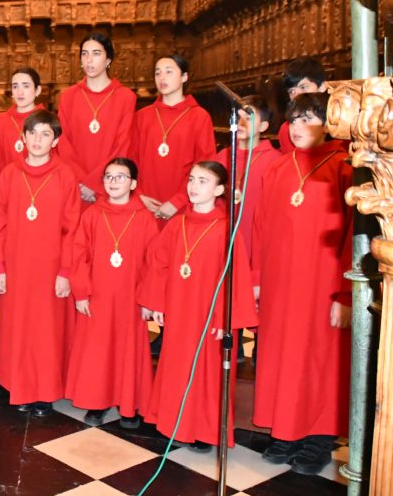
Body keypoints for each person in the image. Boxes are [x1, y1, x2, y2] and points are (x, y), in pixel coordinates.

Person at [252, 92, 352, 474]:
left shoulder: (343, 167)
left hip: (322, 285)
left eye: (308, 119)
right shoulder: (278, 167)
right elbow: (260, 226)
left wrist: (345, 294)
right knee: (282, 354)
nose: (297, 127)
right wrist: (257, 280)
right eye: (294, 119)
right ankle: (286, 430)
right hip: (280, 283)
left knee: (319, 359)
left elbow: (354, 235)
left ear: (328, 124)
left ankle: (319, 437)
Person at [138, 162, 257, 450]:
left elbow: (235, 276)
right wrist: (156, 302)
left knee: (207, 371)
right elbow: (159, 263)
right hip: (180, 307)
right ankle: (173, 423)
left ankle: (204, 430)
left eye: (203, 181)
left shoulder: (226, 229)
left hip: (209, 314)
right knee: (176, 365)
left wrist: (223, 318)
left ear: (219, 190)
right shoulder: (177, 223)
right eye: (191, 179)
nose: (193, 186)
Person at [0, 109, 79, 416]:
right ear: (23, 137)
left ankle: (45, 391)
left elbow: (72, 228)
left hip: (51, 269)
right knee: (18, 329)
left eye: (45, 134)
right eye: (32, 133)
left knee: (46, 331)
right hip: (16, 267)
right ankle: (19, 386)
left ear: (56, 140)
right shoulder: (10, 174)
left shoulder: (65, 175)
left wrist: (65, 271)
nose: (38, 140)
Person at [65, 158, 157, 428]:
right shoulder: (93, 214)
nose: (113, 182)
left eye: (120, 177)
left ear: (133, 184)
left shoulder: (144, 218)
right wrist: (81, 293)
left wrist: (148, 298)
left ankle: (129, 403)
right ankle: (98, 401)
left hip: (131, 296)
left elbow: (153, 262)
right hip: (98, 295)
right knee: (98, 349)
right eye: (108, 176)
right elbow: (79, 255)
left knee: (129, 349)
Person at [131, 54, 216, 223]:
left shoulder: (199, 116)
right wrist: (138, 195)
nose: (162, 77)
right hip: (145, 204)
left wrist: (177, 202)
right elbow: (131, 159)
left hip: (183, 205)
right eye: (157, 73)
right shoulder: (142, 116)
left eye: (168, 72)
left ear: (184, 77)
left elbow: (205, 165)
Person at [56, 33, 137, 203]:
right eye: (84, 54)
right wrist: (80, 181)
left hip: (110, 186)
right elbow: (63, 143)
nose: (89, 60)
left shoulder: (125, 97)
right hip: (75, 187)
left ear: (108, 60)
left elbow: (123, 145)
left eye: (96, 53)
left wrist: (95, 183)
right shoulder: (68, 96)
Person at [212, 94, 281, 257]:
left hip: (257, 239)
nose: (241, 123)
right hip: (224, 238)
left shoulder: (276, 161)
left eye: (248, 118)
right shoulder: (222, 156)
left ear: (263, 126)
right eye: (238, 117)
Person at [0, 67, 47, 172]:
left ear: (37, 90)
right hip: (6, 180)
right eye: (15, 86)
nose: (20, 92)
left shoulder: (47, 120)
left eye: (26, 86)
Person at [277, 58, 329, 153]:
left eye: (303, 87)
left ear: (322, 87)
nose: (297, 96)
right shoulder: (287, 130)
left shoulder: (342, 124)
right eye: (292, 91)